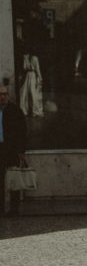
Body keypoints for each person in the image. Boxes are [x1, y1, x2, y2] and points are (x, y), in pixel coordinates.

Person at [0, 84, 28, 215]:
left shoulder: (15, 110)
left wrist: (21, 151)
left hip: (11, 149)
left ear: (8, 95)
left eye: (4, 94)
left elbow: (22, 131)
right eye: (0, 94)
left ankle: (14, 208)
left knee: (14, 178)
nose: (2, 97)